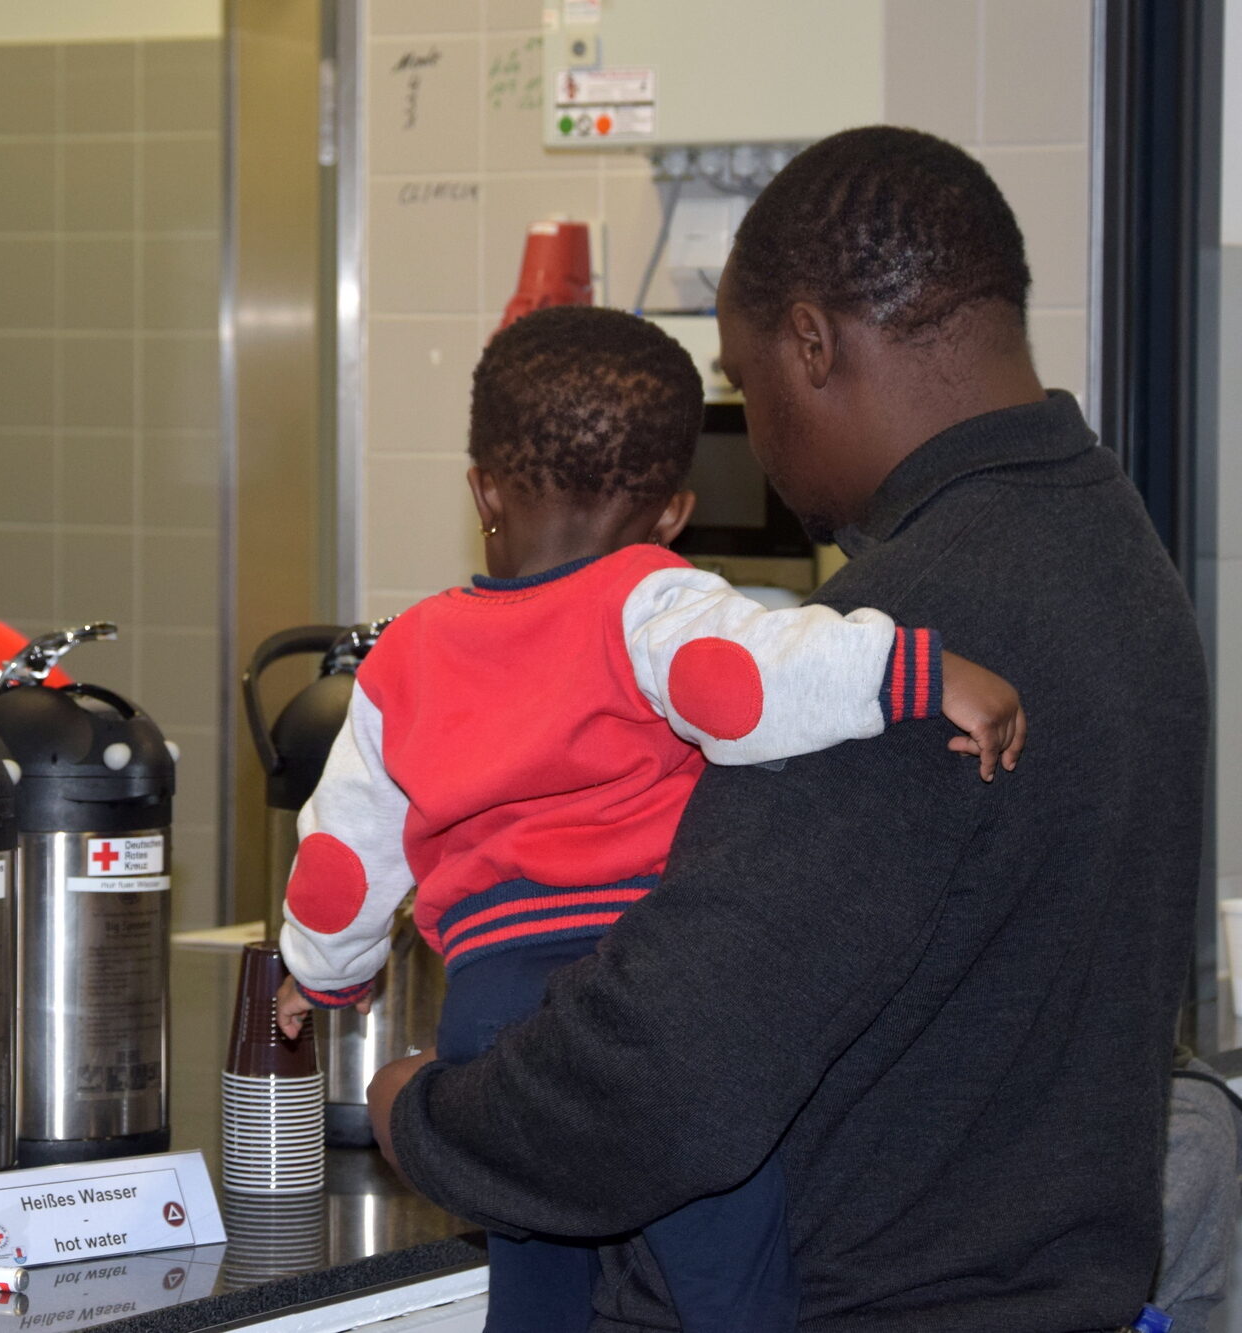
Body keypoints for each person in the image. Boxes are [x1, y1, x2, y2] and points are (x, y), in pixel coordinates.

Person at [366, 125, 1209, 1331]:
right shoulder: (1113, 554)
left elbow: (662, 1078)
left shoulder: (902, 645)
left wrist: (423, 1115)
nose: (749, 440)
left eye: (744, 382)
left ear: (810, 343)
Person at [274, 304, 1024, 1332]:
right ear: (671, 512)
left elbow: (341, 862)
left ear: (481, 492)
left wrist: (317, 973)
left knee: (535, 1292)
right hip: (646, 1006)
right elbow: (751, 683)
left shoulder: (404, 652)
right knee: (730, 1286)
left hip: (490, 1012)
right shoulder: (650, 600)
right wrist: (917, 668)